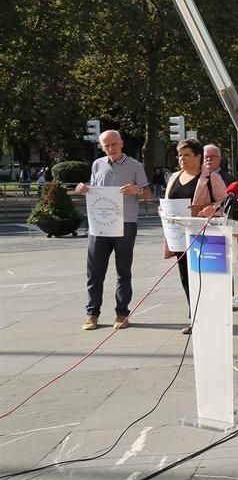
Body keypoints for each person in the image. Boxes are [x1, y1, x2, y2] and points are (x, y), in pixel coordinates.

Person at [77, 130, 151, 331]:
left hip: (125, 224)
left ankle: (121, 313)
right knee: (94, 272)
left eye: (113, 144)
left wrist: (137, 190)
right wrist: (83, 188)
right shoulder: (97, 164)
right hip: (99, 225)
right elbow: (95, 190)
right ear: (101, 147)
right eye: (106, 145)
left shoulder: (135, 166)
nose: (110, 148)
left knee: (123, 271)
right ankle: (92, 314)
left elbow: (148, 195)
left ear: (122, 144)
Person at [163, 138, 228, 334]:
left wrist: (207, 208)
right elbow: (168, 201)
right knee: (186, 277)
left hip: (205, 236)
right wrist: (163, 209)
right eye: (180, 155)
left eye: (186, 155)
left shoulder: (211, 178)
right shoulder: (175, 177)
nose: (181, 159)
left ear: (198, 157)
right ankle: (195, 317)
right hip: (179, 236)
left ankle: (213, 317)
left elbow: (225, 203)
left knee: (207, 278)